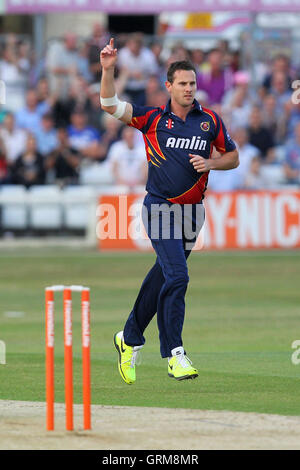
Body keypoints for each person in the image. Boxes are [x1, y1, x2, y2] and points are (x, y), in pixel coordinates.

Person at [100, 38, 239, 384]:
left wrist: (211, 162)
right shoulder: (151, 118)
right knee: (178, 277)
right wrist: (107, 69)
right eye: (183, 84)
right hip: (160, 207)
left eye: (192, 83)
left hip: (193, 213)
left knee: (163, 276)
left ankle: (128, 338)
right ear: (169, 87)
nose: (189, 89)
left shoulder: (209, 121)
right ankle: (174, 354)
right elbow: (108, 103)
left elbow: (233, 157)